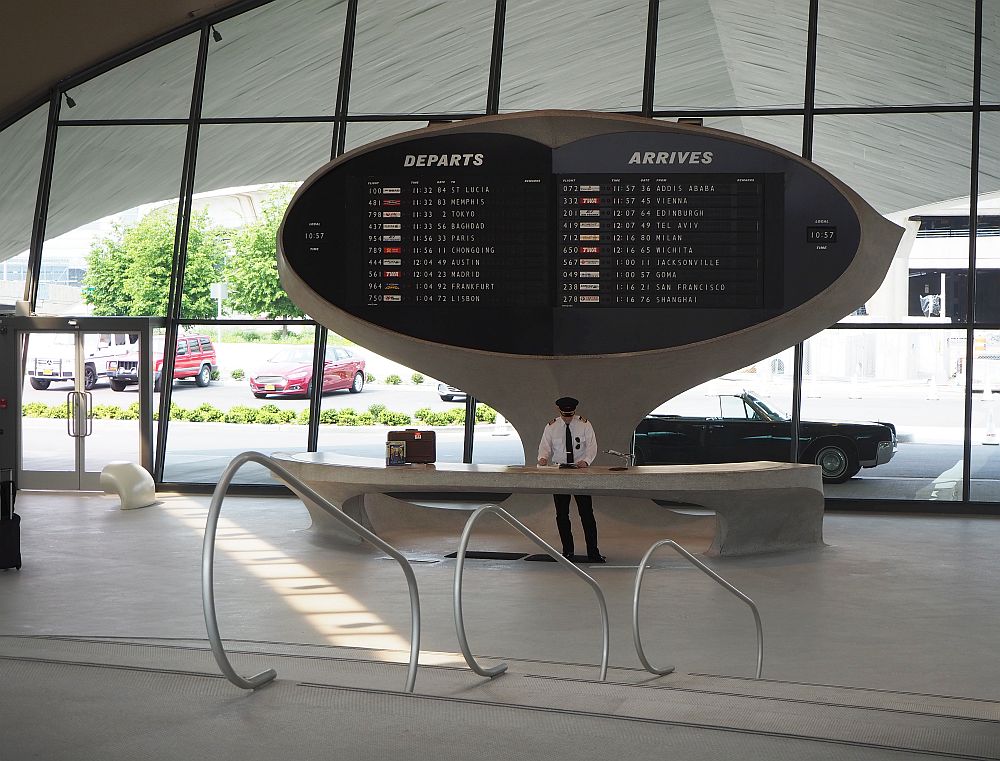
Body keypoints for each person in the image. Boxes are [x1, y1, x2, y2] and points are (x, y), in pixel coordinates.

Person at [536, 396, 605, 563]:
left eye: (570, 414)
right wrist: (543, 458)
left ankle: (593, 552)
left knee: (586, 513)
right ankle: (567, 552)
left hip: (579, 471)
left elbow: (592, 446)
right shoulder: (551, 426)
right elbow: (544, 446)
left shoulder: (584, 424)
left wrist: (586, 461)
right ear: (559, 411)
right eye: (565, 414)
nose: (568, 417)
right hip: (559, 471)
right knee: (561, 514)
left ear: (574, 411)